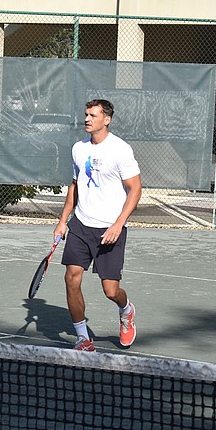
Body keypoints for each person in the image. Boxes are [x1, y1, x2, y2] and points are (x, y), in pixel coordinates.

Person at [53, 99, 142, 352]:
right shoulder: (78, 149)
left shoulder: (120, 150)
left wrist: (118, 224)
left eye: (93, 115)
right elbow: (75, 185)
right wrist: (62, 222)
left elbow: (135, 189)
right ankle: (83, 338)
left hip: (110, 229)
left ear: (107, 119)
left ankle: (126, 311)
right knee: (71, 278)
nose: (87, 119)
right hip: (81, 225)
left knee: (110, 290)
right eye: (86, 114)